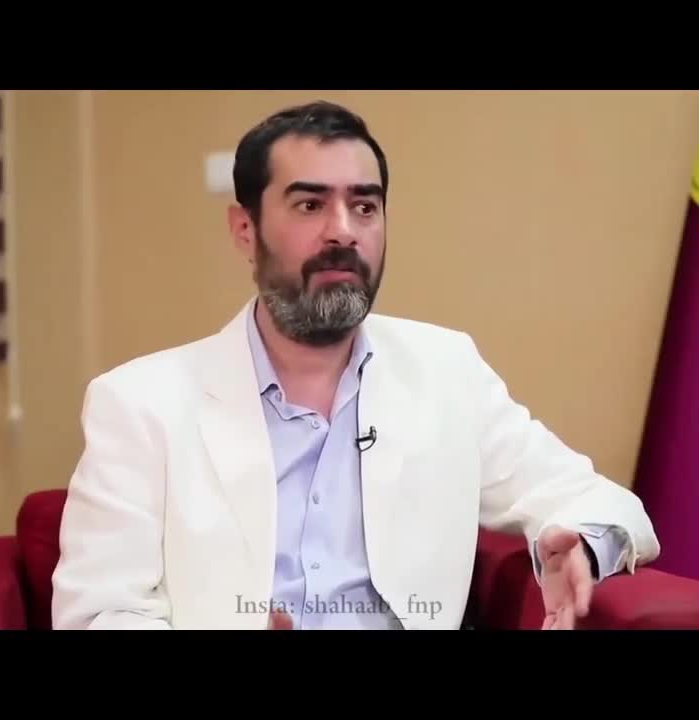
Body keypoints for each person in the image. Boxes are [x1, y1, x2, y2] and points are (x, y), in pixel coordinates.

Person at [51, 100, 660, 631]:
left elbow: (603, 504)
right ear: (244, 229)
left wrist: (583, 546)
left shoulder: (447, 373)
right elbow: (98, 612)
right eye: (310, 204)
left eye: (364, 207)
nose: (342, 232)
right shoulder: (140, 404)